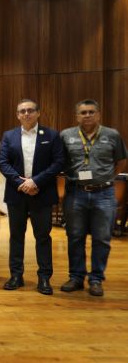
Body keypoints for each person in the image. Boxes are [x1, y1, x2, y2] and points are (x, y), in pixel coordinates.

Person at [59, 99, 127, 297]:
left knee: (102, 238)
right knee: (75, 237)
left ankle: (96, 279)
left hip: (104, 194)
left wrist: (107, 178)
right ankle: (76, 277)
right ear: (76, 116)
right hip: (75, 193)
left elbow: (121, 160)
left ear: (98, 114)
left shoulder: (112, 135)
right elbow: (59, 161)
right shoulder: (66, 135)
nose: (87, 115)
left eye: (91, 112)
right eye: (83, 112)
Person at [0, 99, 64, 295]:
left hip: (42, 194)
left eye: (30, 110)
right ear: (17, 115)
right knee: (16, 236)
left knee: (42, 237)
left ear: (38, 113)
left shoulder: (51, 135)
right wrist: (22, 183)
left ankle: (44, 278)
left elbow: (58, 163)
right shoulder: (9, 136)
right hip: (17, 194)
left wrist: (35, 182)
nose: (26, 114)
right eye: (22, 111)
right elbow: (3, 163)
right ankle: (16, 275)